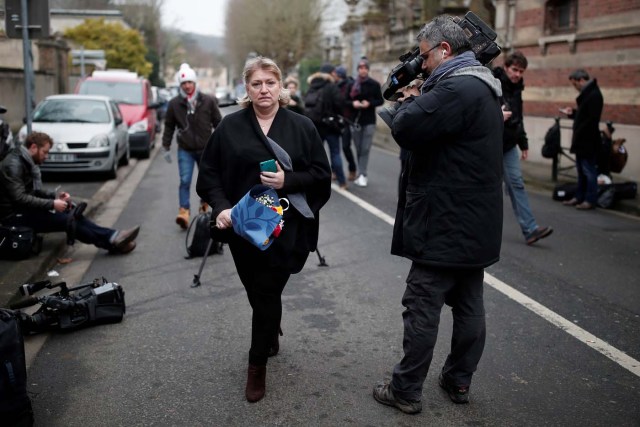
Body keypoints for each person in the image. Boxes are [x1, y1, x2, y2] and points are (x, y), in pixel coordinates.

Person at [372, 16, 504, 414]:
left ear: (444, 51)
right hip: (474, 221)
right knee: (468, 304)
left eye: (425, 56)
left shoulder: (458, 87)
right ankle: (458, 380)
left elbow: (407, 126)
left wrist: (411, 99)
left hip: (444, 221)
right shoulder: (481, 85)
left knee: (422, 305)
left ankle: (406, 390)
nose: (422, 64)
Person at [196, 57, 331, 403]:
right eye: (256, 84)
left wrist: (289, 179)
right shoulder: (230, 127)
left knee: (268, 290)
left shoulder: (302, 126)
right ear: (247, 89)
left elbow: (320, 175)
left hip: (286, 228)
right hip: (243, 228)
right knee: (256, 290)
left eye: (270, 82)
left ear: (281, 86)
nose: (264, 89)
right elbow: (209, 174)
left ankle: (256, 367)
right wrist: (222, 207)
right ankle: (269, 329)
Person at [0, 132, 140, 254]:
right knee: (69, 221)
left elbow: (32, 192)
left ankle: (114, 237)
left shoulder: (24, 160)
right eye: (45, 152)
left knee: (72, 211)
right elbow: (19, 198)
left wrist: (54, 197)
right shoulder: (13, 165)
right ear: (33, 147)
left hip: (24, 210)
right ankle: (113, 241)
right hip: (13, 217)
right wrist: (52, 204)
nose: (46, 156)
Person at [493, 51, 553, 245]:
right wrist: (496, 114)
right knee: (483, 187)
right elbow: (478, 109)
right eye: (515, 70)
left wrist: (523, 142)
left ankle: (530, 230)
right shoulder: (493, 82)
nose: (518, 74)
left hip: (509, 145)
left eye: (521, 71)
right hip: (489, 144)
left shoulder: (518, 89)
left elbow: (519, 118)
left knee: (517, 183)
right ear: (506, 67)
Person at [162, 63, 222, 229]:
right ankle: (184, 211)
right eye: (183, 83)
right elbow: (168, 126)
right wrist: (166, 146)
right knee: (185, 180)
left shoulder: (208, 100)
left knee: (207, 180)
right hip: (185, 149)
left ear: (195, 83)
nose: (187, 86)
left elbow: (219, 123)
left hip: (206, 148)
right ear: (180, 85)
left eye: (189, 82)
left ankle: (204, 205)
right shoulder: (174, 104)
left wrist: (224, 143)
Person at [559, 69, 604, 210]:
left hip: (588, 141)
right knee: (581, 171)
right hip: (582, 140)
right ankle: (579, 197)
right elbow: (584, 116)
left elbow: (591, 120)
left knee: (589, 171)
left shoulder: (594, 95)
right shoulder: (588, 94)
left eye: (575, 84)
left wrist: (578, 124)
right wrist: (573, 113)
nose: (575, 88)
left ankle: (590, 200)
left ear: (581, 80)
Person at [305, 63, 348, 189]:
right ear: (330, 73)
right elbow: (340, 104)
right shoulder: (331, 86)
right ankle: (342, 182)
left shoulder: (312, 85)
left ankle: (315, 181)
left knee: (316, 155)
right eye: (334, 72)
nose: (335, 74)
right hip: (331, 125)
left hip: (315, 125)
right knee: (335, 153)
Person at [348, 57, 384, 187]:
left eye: (365, 68)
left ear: (368, 70)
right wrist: (354, 103)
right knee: (358, 148)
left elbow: (380, 101)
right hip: (356, 121)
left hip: (369, 121)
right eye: (360, 68)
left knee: (365, 148)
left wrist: (369, 103)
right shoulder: (353, 84)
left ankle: (362, 174)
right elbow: (346, 101)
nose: (363, 70)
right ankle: (360, 173)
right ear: (358, 70)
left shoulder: (374, 84)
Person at [334, 66, 357, 181]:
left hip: (346, 120)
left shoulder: (350, 85)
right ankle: (334, 171)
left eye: (336, 74)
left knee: (345, 146)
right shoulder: (334, 85)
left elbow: (351, 101)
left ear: (339, 75)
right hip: (335, 120)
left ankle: (352, 169)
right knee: (334, 148)